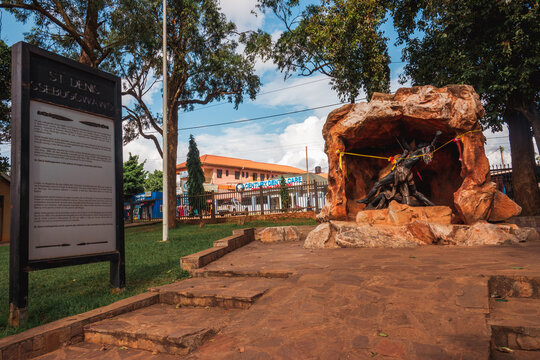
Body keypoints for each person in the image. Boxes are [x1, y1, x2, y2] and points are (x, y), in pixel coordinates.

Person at [357, 131, 442, 207]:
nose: (419, 145)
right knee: (414, 192)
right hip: (405, 173)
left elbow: (431, 147)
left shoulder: (419, 152)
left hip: (401, 172)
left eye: (421, 144)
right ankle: (431, 204)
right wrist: (403, 155)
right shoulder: (412, 152)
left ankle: (367, 199)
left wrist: (436, 137)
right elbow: (402, 153)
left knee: (378, 183)